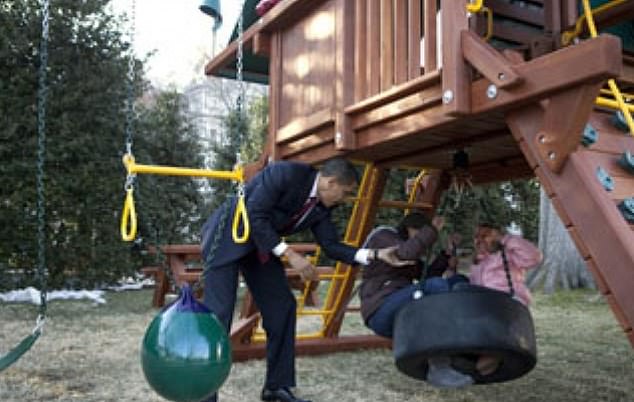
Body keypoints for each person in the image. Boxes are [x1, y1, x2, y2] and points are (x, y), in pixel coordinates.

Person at [200, 158, 410, 402]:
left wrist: (375, 255)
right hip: (227, 236)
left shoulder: (321, 207)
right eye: (345, 193)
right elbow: (254, 214)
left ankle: (276, 389)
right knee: (219, 315)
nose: (344, 200)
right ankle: (205, 395)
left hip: (260, 246)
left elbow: (331, 246)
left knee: (282, 308)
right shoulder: (285, 173)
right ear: (331, 183)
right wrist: (290, 255)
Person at [358, 212, 472, 388]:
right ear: (411, 229)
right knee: (435, 286)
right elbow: (404, 253)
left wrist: (447, 254)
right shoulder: (384, 237)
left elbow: (428, 276)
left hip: (400, 303)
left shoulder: (409, 251)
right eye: (421, 234)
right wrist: (432, 230)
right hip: (380, 308)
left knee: (457, 282)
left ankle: (460, 349)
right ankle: (438, 368)